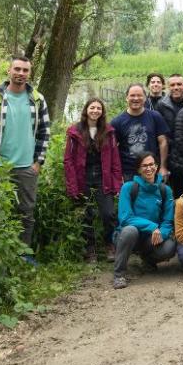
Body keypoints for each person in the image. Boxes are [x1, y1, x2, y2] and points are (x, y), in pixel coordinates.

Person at [0, 56, 51, 263]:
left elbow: (45, 132)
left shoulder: (37, 99)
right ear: (9, 71)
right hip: (0, 167)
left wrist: (38, 162)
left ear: (29, 73)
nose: (21, 73)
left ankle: (23, 254)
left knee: (26, 213)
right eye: (17, 69)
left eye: (25, 70)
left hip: (27, 167)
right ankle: (0, 256)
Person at [64, 98, 121, 263]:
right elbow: (68, 161)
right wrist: (72, 186)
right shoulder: (74, 132)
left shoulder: (108, 132)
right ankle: (90, 249)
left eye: (98, 108)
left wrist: (117, 182)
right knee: (86, 214)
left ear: (102, 112)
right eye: (92, 107)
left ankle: (110, 244)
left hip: (104, 177)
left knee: (109, 213)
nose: (95, 110)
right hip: (83, 177)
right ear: (86, 110)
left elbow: (115, 160)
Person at [112, 153, 176, 289]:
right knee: (130, 230)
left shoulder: (165, 190)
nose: (148, 168)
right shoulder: (129, 188)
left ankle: (147, 261)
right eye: (144, 166)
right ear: (139, 169)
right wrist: (152, 226)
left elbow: (167, 221)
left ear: (157, 166)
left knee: (169, 246)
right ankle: (119, 275)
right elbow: (125, 218)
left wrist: (161, 234)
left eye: (151, 164)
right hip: (127, 236)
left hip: (150, 239)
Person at [111, 84, 170, 183]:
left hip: (152, 168)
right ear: (126, 98)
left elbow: (163, 142)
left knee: (155, 197)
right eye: (132, 95)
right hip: (129, 171)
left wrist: (163, 167)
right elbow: (112, 148)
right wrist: (117, 173)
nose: (136, 98)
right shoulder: (117, 122)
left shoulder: (155, 116)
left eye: (139, 95)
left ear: (145, 98)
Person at [155, 74, 183, 195]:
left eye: (179, 84)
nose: (176, 87)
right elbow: (160, 135)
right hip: (170, 155)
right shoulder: (161, 105)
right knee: (174, 193)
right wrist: (162, 165)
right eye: (172, 85)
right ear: (168, 88)